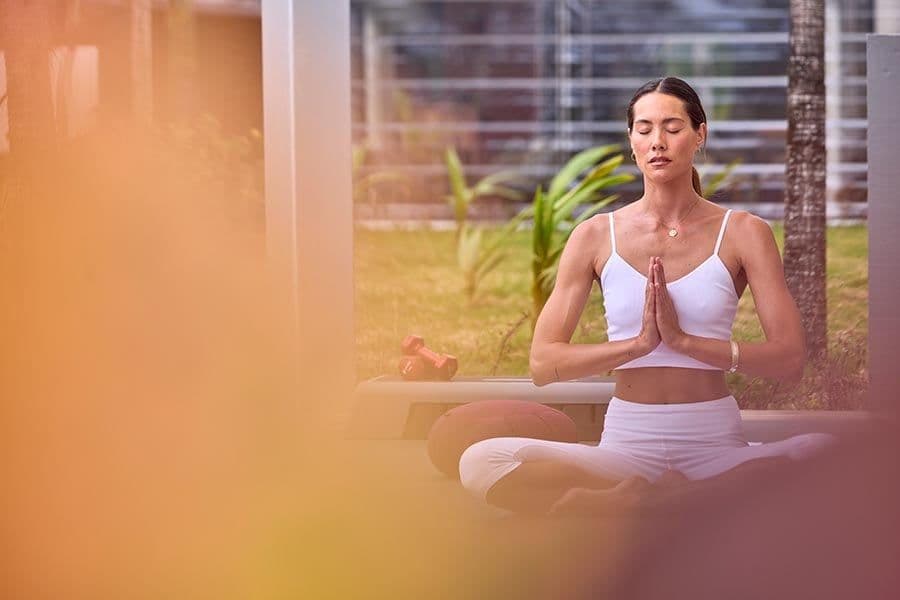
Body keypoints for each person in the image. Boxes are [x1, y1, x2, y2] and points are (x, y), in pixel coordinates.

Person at [457, 77, 835, 515]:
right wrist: (637, 345)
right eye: (645, 128)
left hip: (715, 443)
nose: (658, 141)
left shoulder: (745, 232)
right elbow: (543, 363)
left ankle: (644, 504)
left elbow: (789, 359)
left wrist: (684, 343)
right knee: (480, 461)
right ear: (631, 140)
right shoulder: (595, 235)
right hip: (624, 448)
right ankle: (687, 504)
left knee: (823, 452)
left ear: (700, 135)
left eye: (673, 128)